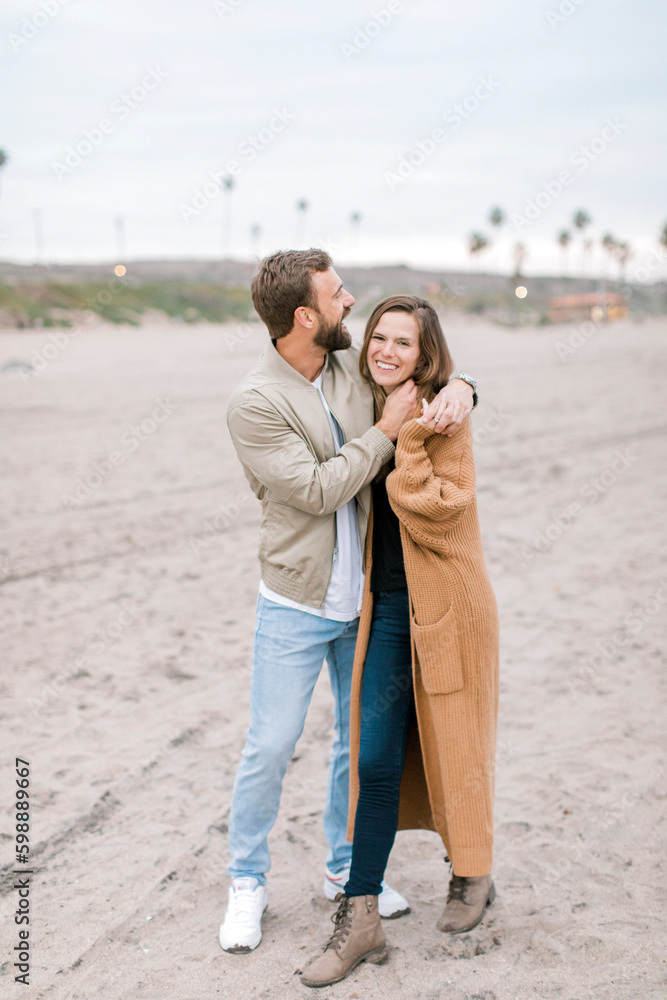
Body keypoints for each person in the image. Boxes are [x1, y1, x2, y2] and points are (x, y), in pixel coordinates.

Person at [219, 251, 477, 953]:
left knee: (352, 745)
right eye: (337, 297)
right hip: (294, 602)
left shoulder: (347, 372)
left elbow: (416, 374)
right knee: (270, 745)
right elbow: (318, 490)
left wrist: (466, 386)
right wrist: (384, 431)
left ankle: (342, 866)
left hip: (361, 597)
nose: (350, 303)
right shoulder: (255, 402)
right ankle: (246, 881)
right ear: (305, 316)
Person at [300, 295, 498, 988]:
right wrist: (395, 424)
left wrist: (414, 433)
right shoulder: (368, 403)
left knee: (455, 746)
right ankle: (361, 922)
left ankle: (472, 876)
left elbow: (442, 510)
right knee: (374, 759)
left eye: (402, 343)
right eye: (377, 337)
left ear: (425, 355)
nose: (385, 350)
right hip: (385, 612)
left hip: (449, 609)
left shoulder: (442, 415)